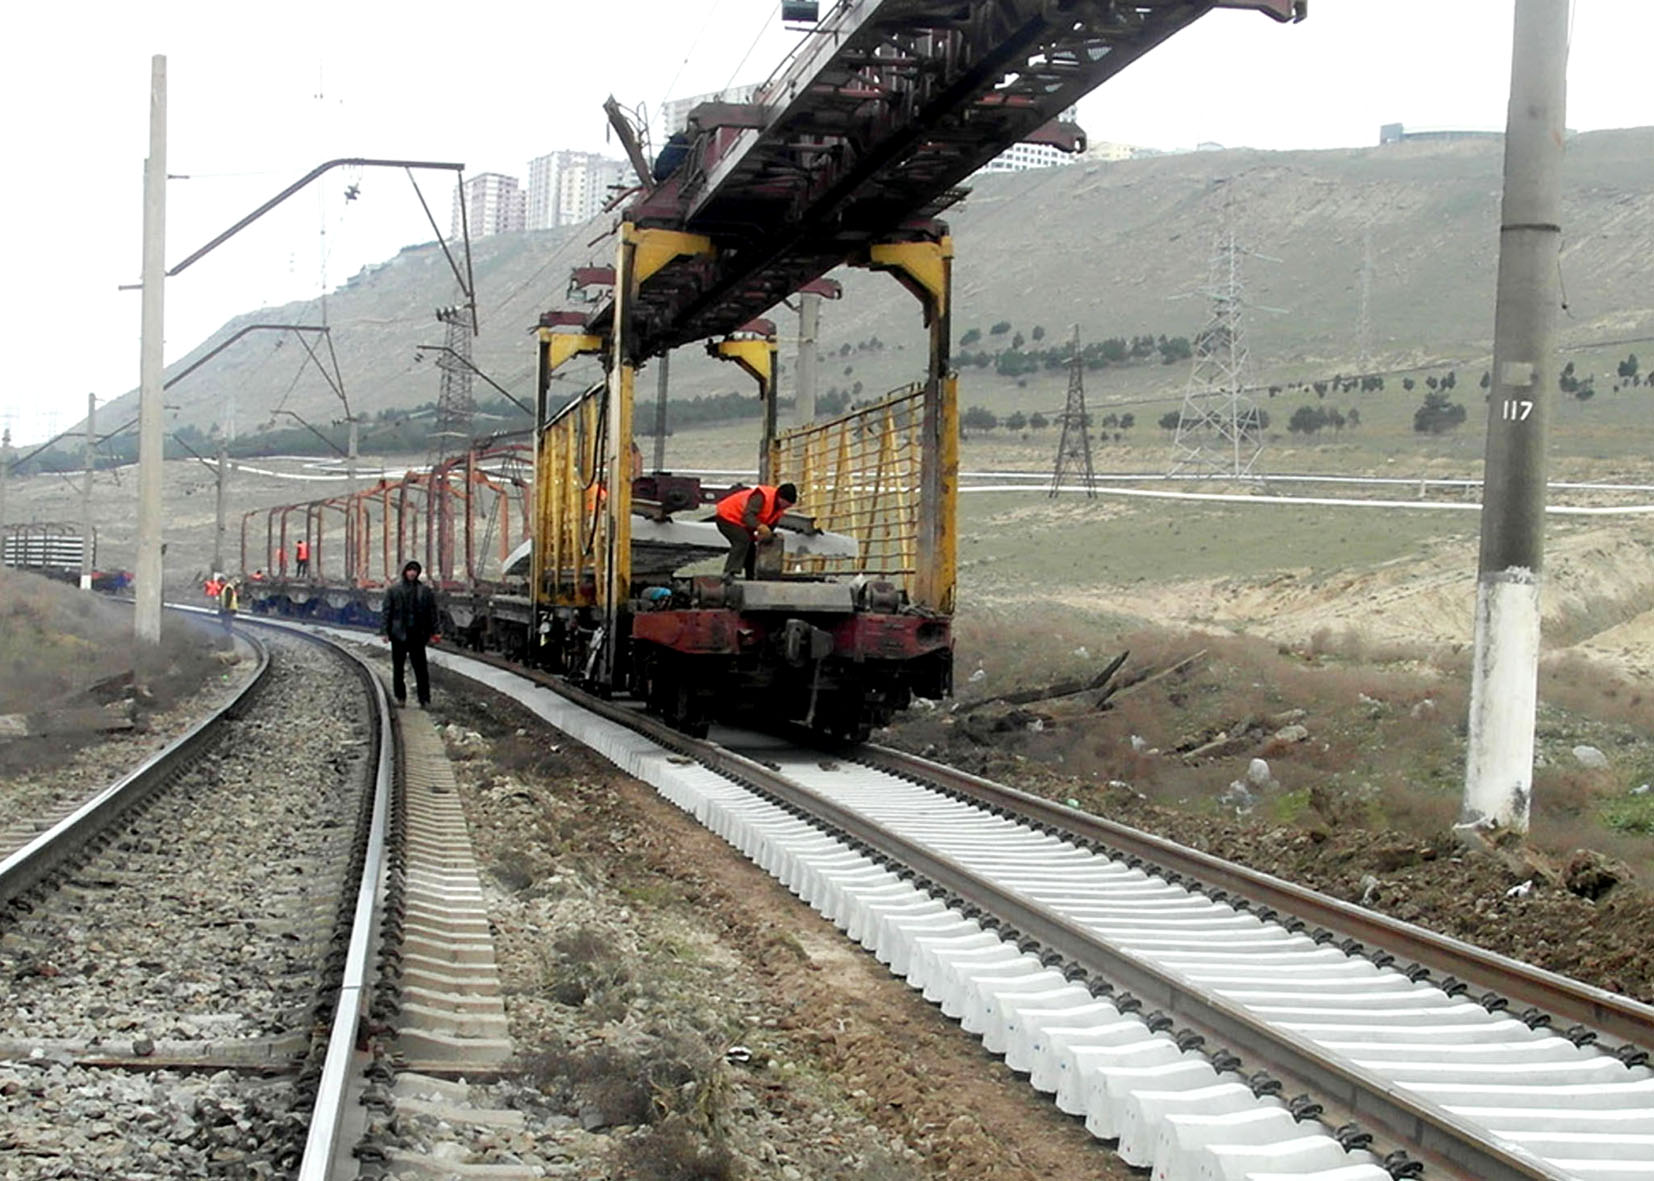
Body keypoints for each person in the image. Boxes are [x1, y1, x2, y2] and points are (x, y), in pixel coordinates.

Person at [382, 559, 439, 708]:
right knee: (398, 668)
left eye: (415, 570)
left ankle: (424, 699)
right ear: (404, 572)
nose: (412, 573)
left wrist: (435, 631)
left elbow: (432, 613)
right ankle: (400, 697)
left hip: (417, 635)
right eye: (409, 570)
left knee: (421, 669)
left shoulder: (425, 591)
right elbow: (387, 612)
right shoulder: (394, 590)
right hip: (399, 634)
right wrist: (384, 632)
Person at [714, 482, 797, 579]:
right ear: (780, 498)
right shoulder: (762, 496)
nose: (787, 507)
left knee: (751, 548)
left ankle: (751, 575)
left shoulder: (778, 508)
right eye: (787, 504)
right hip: (727, 517)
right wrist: (760, 527)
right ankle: (729, 572)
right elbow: (748, 516)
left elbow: (770, 524)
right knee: (742, 540)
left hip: (741, 523)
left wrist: (768, 535)